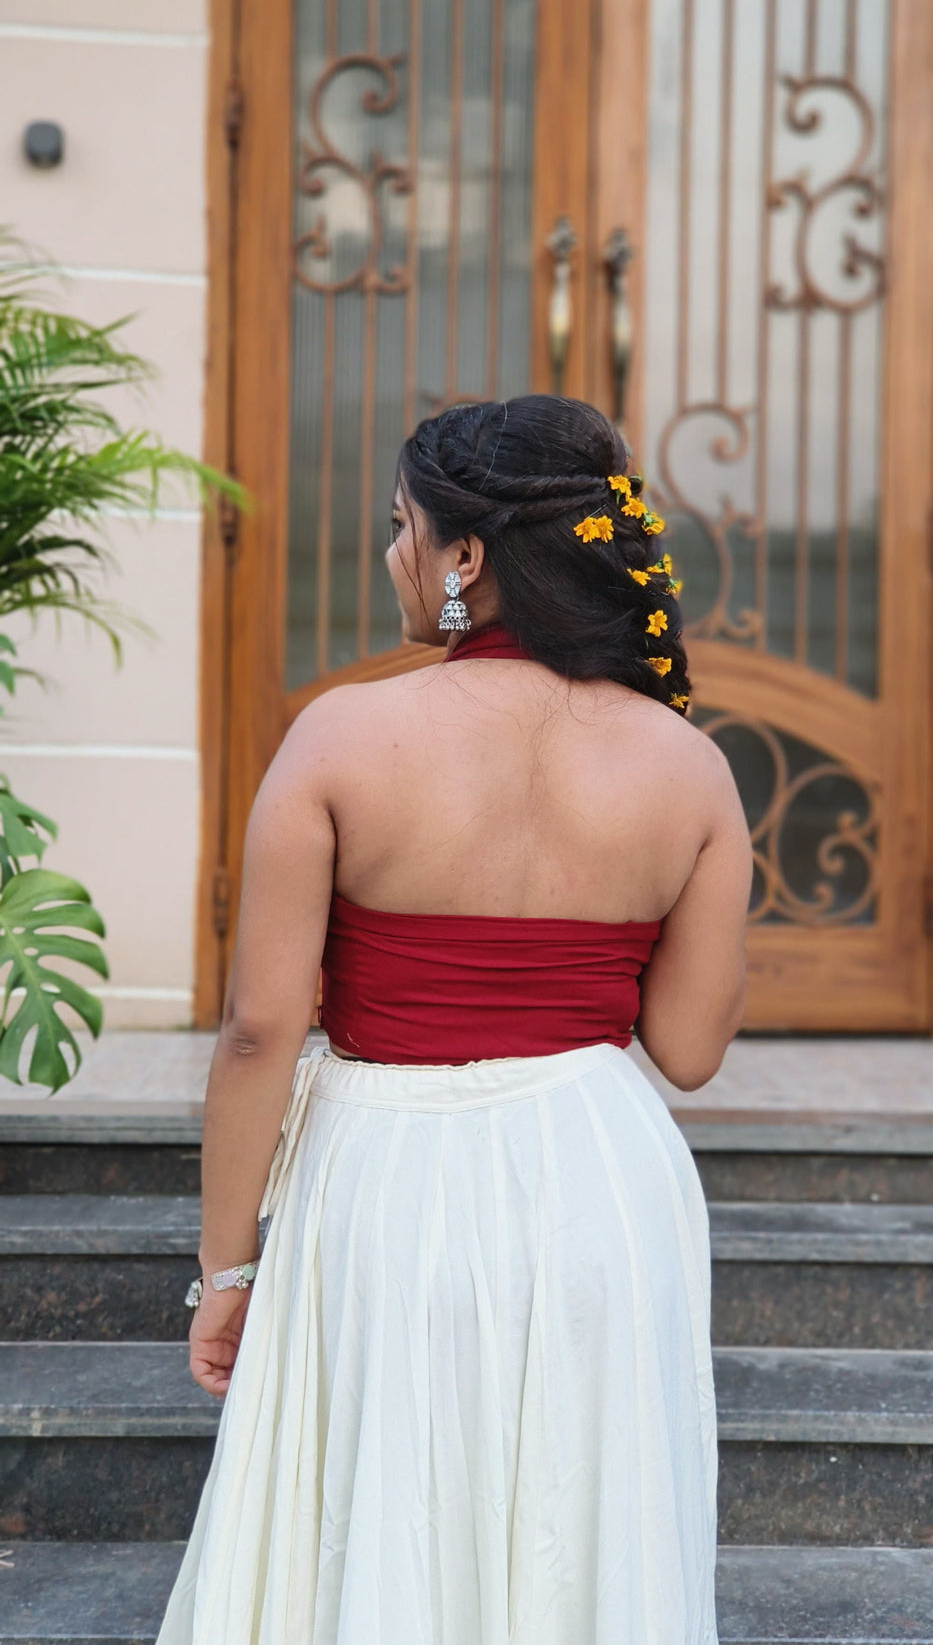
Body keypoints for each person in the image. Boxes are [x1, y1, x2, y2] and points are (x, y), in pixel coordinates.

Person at [156, 395, 752, 1645]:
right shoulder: (688, 767)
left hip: (388, 1179)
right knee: (575, 1533)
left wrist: (227, 1269)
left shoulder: (340, 735)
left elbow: (263, 1029)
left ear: (463, 559)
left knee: (391, 1524)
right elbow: (690, 1050)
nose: (393, 554)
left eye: (399, 528)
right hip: (598, 1178)